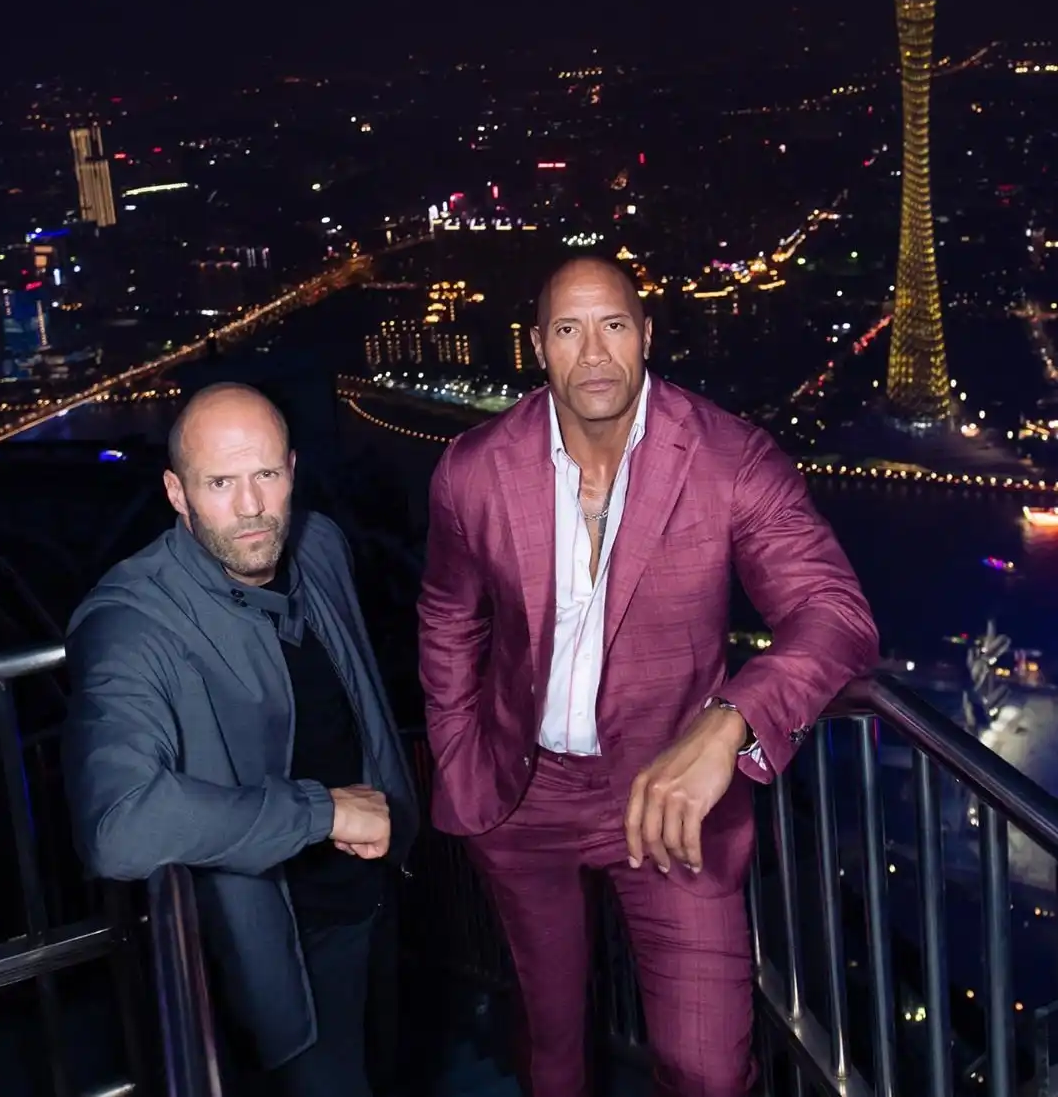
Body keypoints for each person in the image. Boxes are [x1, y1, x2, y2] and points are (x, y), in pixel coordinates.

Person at [418, 257, 878, 1096]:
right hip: (522, 799)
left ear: (648, 336)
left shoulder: (731, 458)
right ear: (537, 347)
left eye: (615, 326)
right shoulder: (473, 468)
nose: (594, 352)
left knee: (708, 1070)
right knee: (550, 1047)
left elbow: (835, 614)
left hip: (671, 796)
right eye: (569, 329)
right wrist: (457, 753)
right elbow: (450, 616)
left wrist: (730, 720)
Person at [63, 382, 417, 1097]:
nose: (252, 506)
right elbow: (117, 824)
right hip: (281, 949)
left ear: (293, 470)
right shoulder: (130, 623)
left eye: (266, 474)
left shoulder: (320, 545)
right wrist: (322, 812)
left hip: (381, 894)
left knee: (394, 1067)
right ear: (177, 492)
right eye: (220, 482)